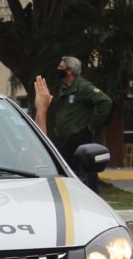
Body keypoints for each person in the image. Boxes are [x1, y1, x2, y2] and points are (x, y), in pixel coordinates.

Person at [38, 56, 112, 192]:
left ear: (70, 70)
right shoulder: (65, 88)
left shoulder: (83, 87)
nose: (57, 70)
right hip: (66, 142)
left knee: (85, 176)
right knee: (68, 176)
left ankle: (89, 200)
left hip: (80, 139)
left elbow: (105, 101)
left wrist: (93, 124)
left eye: (61, 68)